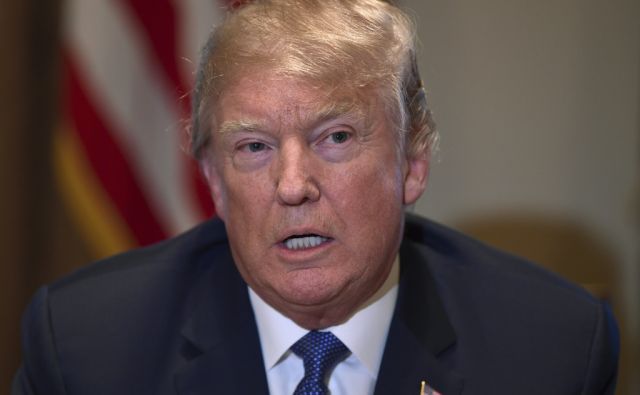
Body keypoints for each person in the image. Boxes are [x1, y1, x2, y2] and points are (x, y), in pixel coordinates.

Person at [13, 0, 619, 394]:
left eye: (335, 137)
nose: (293, 185)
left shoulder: (551, 349)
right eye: (253, 147)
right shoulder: (85, 348)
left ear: (412, 162)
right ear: (215, 184)